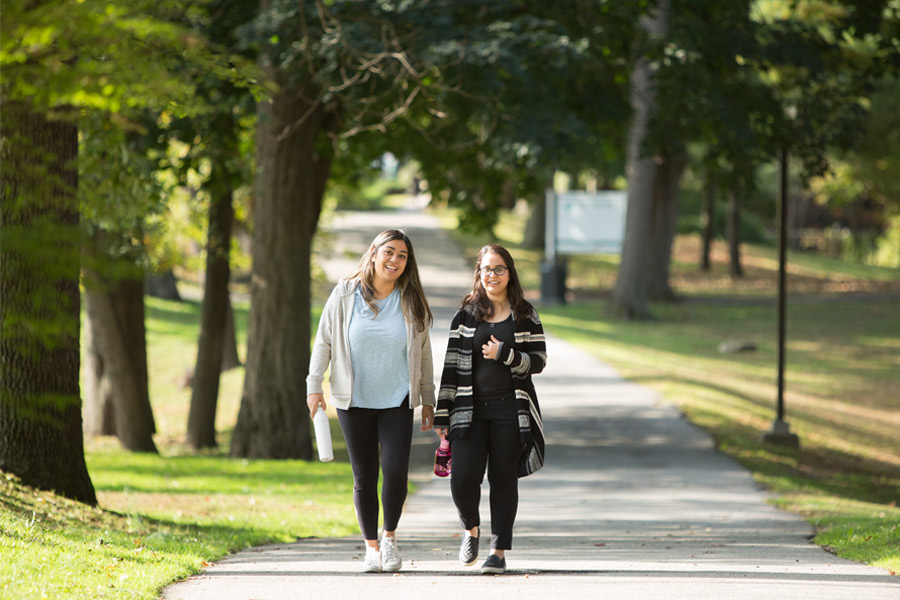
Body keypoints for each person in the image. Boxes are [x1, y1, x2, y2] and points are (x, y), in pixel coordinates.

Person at [306, 229, 435, 573]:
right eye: (389, 252)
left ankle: (389, 538)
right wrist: (313, 384)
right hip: (354, 400)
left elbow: (424, 352)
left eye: (402, 256)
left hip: (397, 399)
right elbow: (324, 342)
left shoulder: (411, 300)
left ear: (408, 263)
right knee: (365, 475)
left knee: (395, 472)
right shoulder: (345, 293)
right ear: (374, 253)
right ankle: (371, 549)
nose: (394, 260)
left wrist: (428, 398)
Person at [434, 243, 547, 575]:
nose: (492, 276)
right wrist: (444, 413)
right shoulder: (466, 314)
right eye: (486, 269)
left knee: (503, 479)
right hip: (469, 411)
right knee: (463, 479)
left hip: (511, 411)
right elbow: (450, 366)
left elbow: (538, 361)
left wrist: (506, 354)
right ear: (478, 274)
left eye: (499, 269)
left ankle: (498, 551)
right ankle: (471, 529)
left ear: (509, 273)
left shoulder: (525, 314)